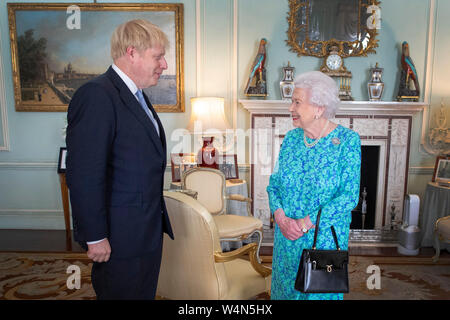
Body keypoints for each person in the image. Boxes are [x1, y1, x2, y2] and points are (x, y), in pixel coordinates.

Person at [66, 19, 173, 300]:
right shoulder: (97, 95)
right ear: (132, 53)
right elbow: (84, 174)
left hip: (144, 231)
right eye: (158, 56)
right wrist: (95, 236)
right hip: (119, 237)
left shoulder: (136, 95)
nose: (164, 65)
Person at [267, 71, 361, 300]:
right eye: (292, 101)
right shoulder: (290, 140)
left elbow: (349, 197)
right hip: (287, 238)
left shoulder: (347, 142)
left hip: (323, 241)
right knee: (285, 292)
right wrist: (280, 218)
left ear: (319, 108)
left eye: (297, 102)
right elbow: (274, 185)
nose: (291, 108)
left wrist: (304, 224)